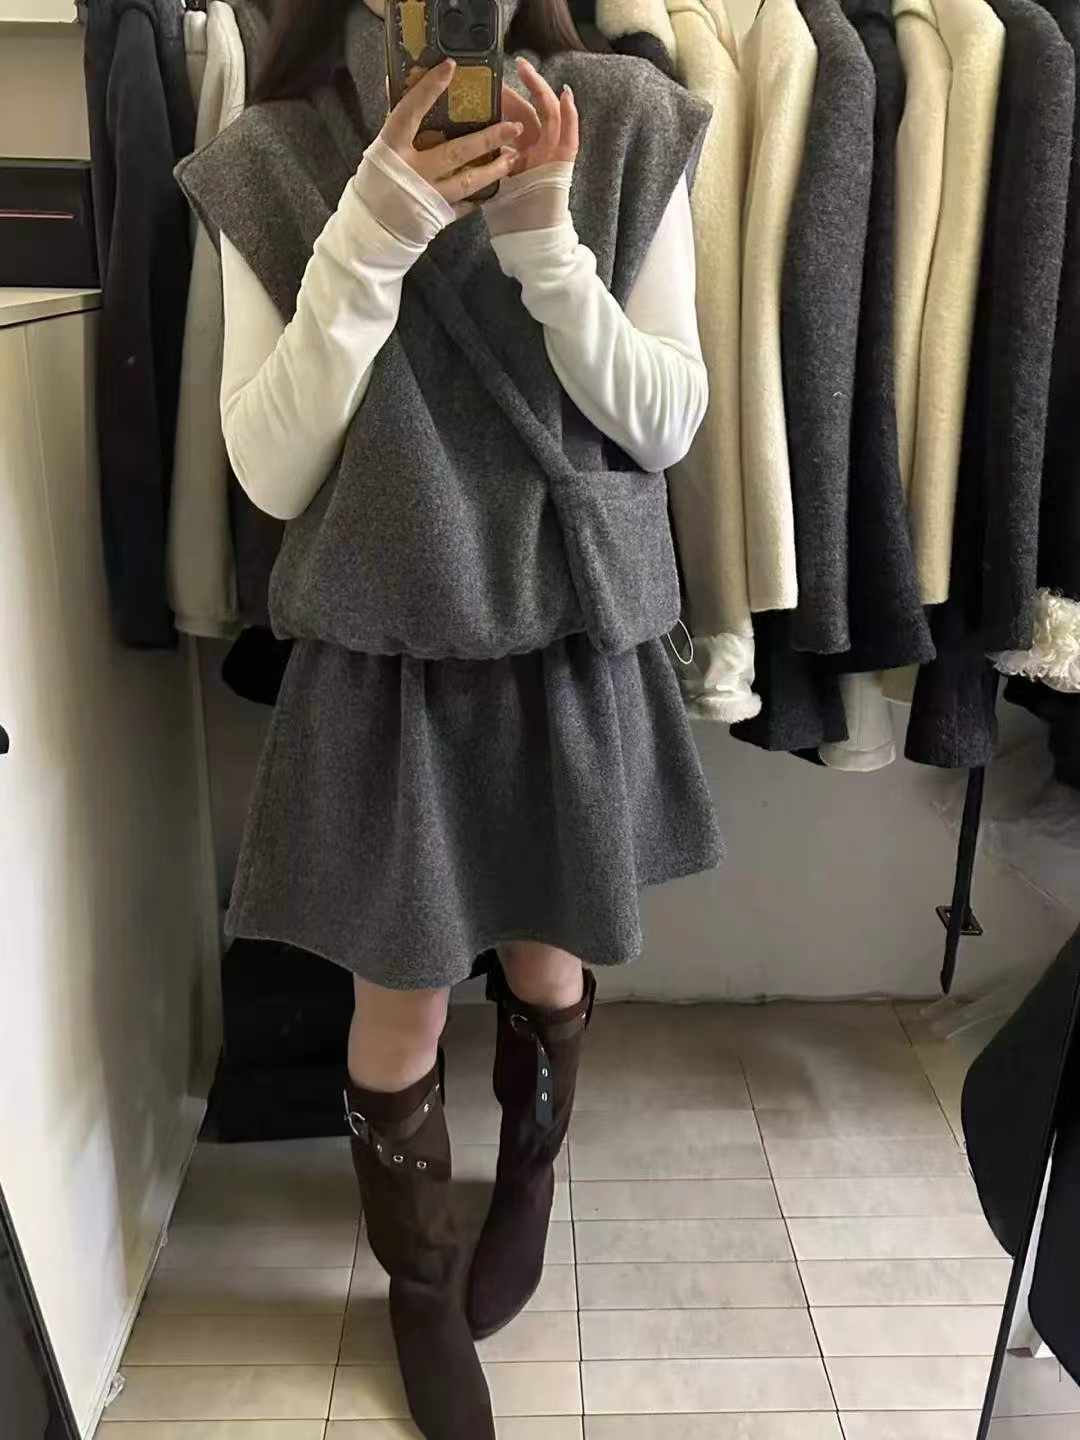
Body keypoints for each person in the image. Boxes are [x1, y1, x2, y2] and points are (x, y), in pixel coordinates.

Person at [177, 2, 721, 1433]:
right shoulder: (272, 155)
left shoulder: (626, 121)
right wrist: (372, 231)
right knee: (400, 998)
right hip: (386, 643)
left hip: (559, 627)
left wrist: (549, 248)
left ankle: (526, 1183)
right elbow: (270, 472)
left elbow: (666, 422)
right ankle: (420, 1294)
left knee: (549, 957)